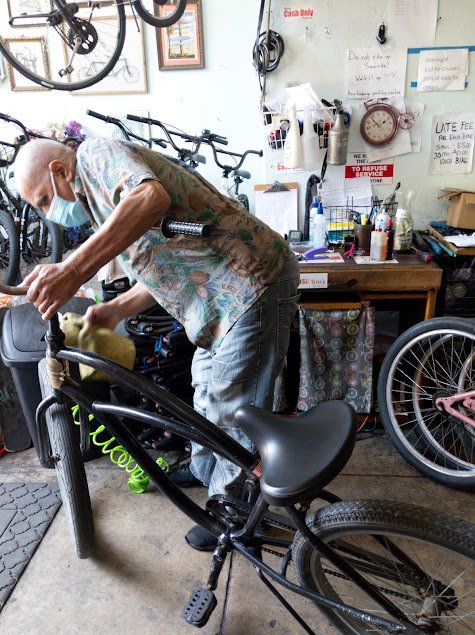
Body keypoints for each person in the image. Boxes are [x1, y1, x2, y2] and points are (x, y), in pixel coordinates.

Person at [15, 137, 300, 550]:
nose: (49, 213)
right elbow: (163, 262)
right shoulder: (98, 201)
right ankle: (208, 474)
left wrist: (74, 268)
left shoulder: (95, 156)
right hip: (217, 299)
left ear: (60, 170)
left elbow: (151, 196)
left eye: (44, 200)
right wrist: (116, 309)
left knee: (234, 408)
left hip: (252, 282)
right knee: (203, 395)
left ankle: (234, 516)